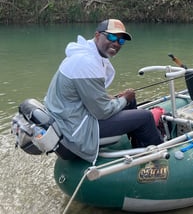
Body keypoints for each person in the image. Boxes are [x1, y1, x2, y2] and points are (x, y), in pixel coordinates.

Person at [45, 19, 163, 164]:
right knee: (145, 117)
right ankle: (160, 156)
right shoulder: (87, 63)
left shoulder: (82, 54)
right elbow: (102, 112)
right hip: (77, 130)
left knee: (129, 100)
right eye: (111, 37)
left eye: (121, 41)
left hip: (71, 118)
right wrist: (123, 99)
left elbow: (86, 93)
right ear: (97, 35)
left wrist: (118, 99)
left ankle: (139, 147)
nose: (116, 43)